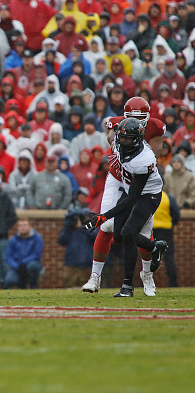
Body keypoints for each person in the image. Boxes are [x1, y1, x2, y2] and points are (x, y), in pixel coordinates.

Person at [83, 97, 166, 295]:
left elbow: (157, 150)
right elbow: (111, 136)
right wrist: (115, 138)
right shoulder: (118, 127)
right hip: (118, 177)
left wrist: (104, 214)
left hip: (141, 183)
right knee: (108, 227)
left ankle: (147, 276)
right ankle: (95, 277)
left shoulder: (147, 150)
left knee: (142, 230)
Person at [58, 208, 97, 288]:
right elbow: (61, 241)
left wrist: (81, 227)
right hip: (70, 264)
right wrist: (67, 227)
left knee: (85, 287)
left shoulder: (88, 228)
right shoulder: (69, 230)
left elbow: (95, 237)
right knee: (68, 286)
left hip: (85, 264)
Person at [3, 218, 44, 289]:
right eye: (20, 225)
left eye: (25, 225)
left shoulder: (37, 237)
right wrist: (17, 266)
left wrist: (23, 263)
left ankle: (33, 286)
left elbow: (37, 254)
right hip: (17, 266)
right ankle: (22, 285)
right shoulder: (13, 239)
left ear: (30, 226)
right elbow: (8, 257)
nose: (22, 227)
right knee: (9, 280)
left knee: (33, 266)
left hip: (31, 264)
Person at [152, 191, 180, 288]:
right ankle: (172, 282)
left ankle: (147, 282)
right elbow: (176, 214)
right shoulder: (168, 197)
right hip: (165, 229)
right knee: (169, 257)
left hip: (151, 230)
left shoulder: (148, 196)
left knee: (149, 257)